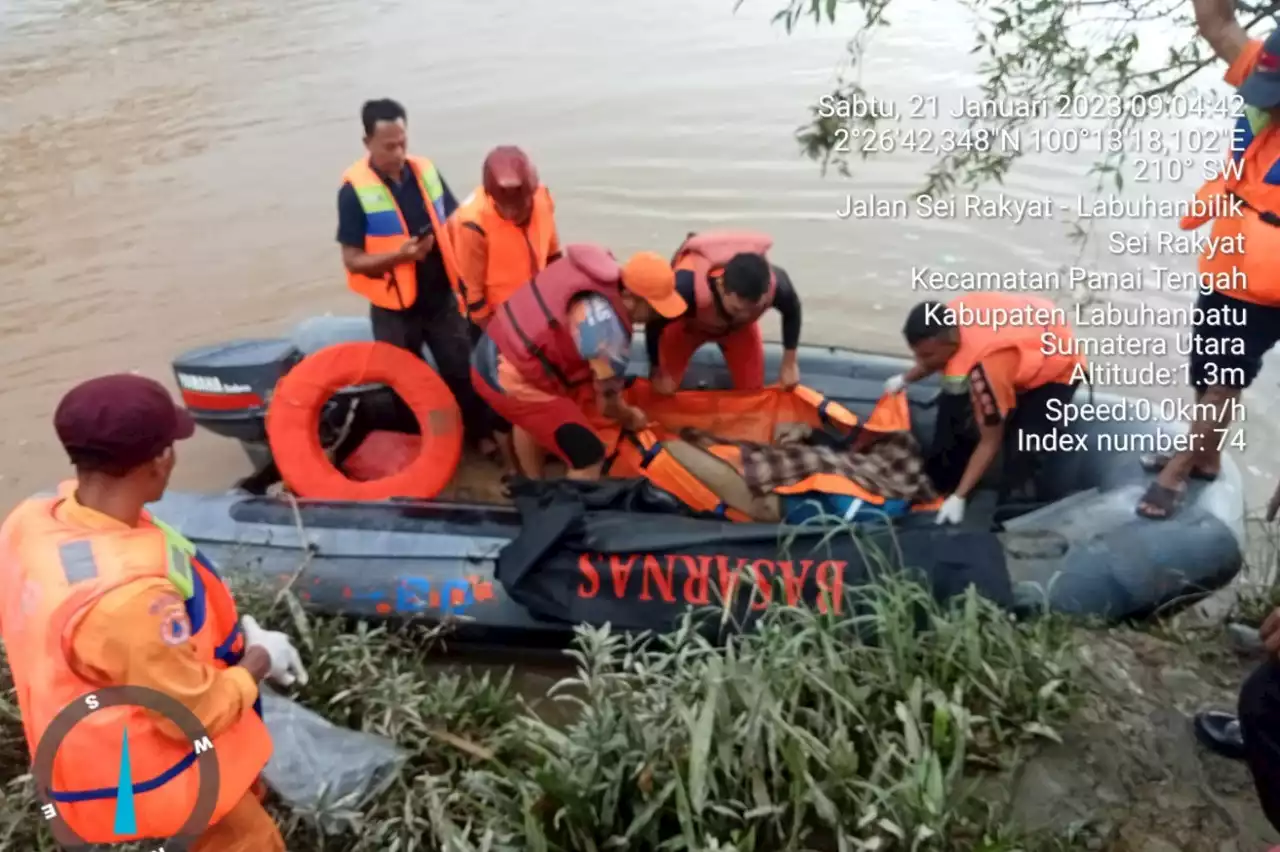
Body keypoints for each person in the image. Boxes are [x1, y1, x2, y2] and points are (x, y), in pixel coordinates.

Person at [0, 374, 307, 851]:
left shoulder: (32, 520)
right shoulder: (128, 601)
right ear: (162, 458)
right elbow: (194, 716)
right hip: (171, 783)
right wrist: (260, 659)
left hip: (86, 746)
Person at [1137, 0, 1280, 519]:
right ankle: (1207, 457)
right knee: (1208, 371)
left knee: (1223, 375)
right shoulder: (1266, 68)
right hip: (1231, 262)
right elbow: (1216, 22)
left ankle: (1179, 469)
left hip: (1268, 281)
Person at [337, 98, 501, 459]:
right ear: (367, 143)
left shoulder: (425, 171)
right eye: (388, 146)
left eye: (402, 143)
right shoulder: (353, 192)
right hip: (393, 308)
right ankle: (424, 446)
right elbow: (352, 260)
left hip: (440, 298)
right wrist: (402, 255)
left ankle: (482, 434)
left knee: (461, 369)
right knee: (403, 381)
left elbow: (457, 221)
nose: (398, 153)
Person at [470, 244, 686, 480]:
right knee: (589, 455)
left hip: (493, 344)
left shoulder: (595, 269)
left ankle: (533, 484)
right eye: (654, 309)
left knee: (533, 417)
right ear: (630, 298)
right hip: (505, 377)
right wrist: (631, 416)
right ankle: (570, 509)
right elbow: (608, 407)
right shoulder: (608, 340)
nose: (657, 317)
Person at [887, 293, 1083, 525]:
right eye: (917, 354)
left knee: (1024, 445)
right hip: (1021, 330)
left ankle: (1012, 512)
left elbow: (991, 439)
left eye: (926, 355)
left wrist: (959, 497)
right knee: (951, 412)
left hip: (1055, 367)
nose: (921, 360)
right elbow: (932, 359)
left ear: (951, 340)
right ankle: (940, 485)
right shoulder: (946, 321)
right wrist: (905, 379)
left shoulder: (989, 367)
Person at [644, 231, 802, 394]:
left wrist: (789, 362)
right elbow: (654, 322)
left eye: (752, 309)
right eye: (737, 309)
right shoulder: (685, 287)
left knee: (751, 393)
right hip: (689, 327)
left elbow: (793, 310)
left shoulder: (778, 285)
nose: (745, 314)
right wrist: (656, 368)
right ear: (720, 285)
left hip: (739, 331)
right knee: (663, 390)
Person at [451, 145, 562, 332]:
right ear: (491, 197)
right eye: (505, 206)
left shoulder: (543, 200)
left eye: (519, 206)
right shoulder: (473, 225)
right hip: (496, 317)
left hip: (535, 306)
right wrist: (497, 336)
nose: (512, 213)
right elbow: (473, 292)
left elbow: (553, 256)